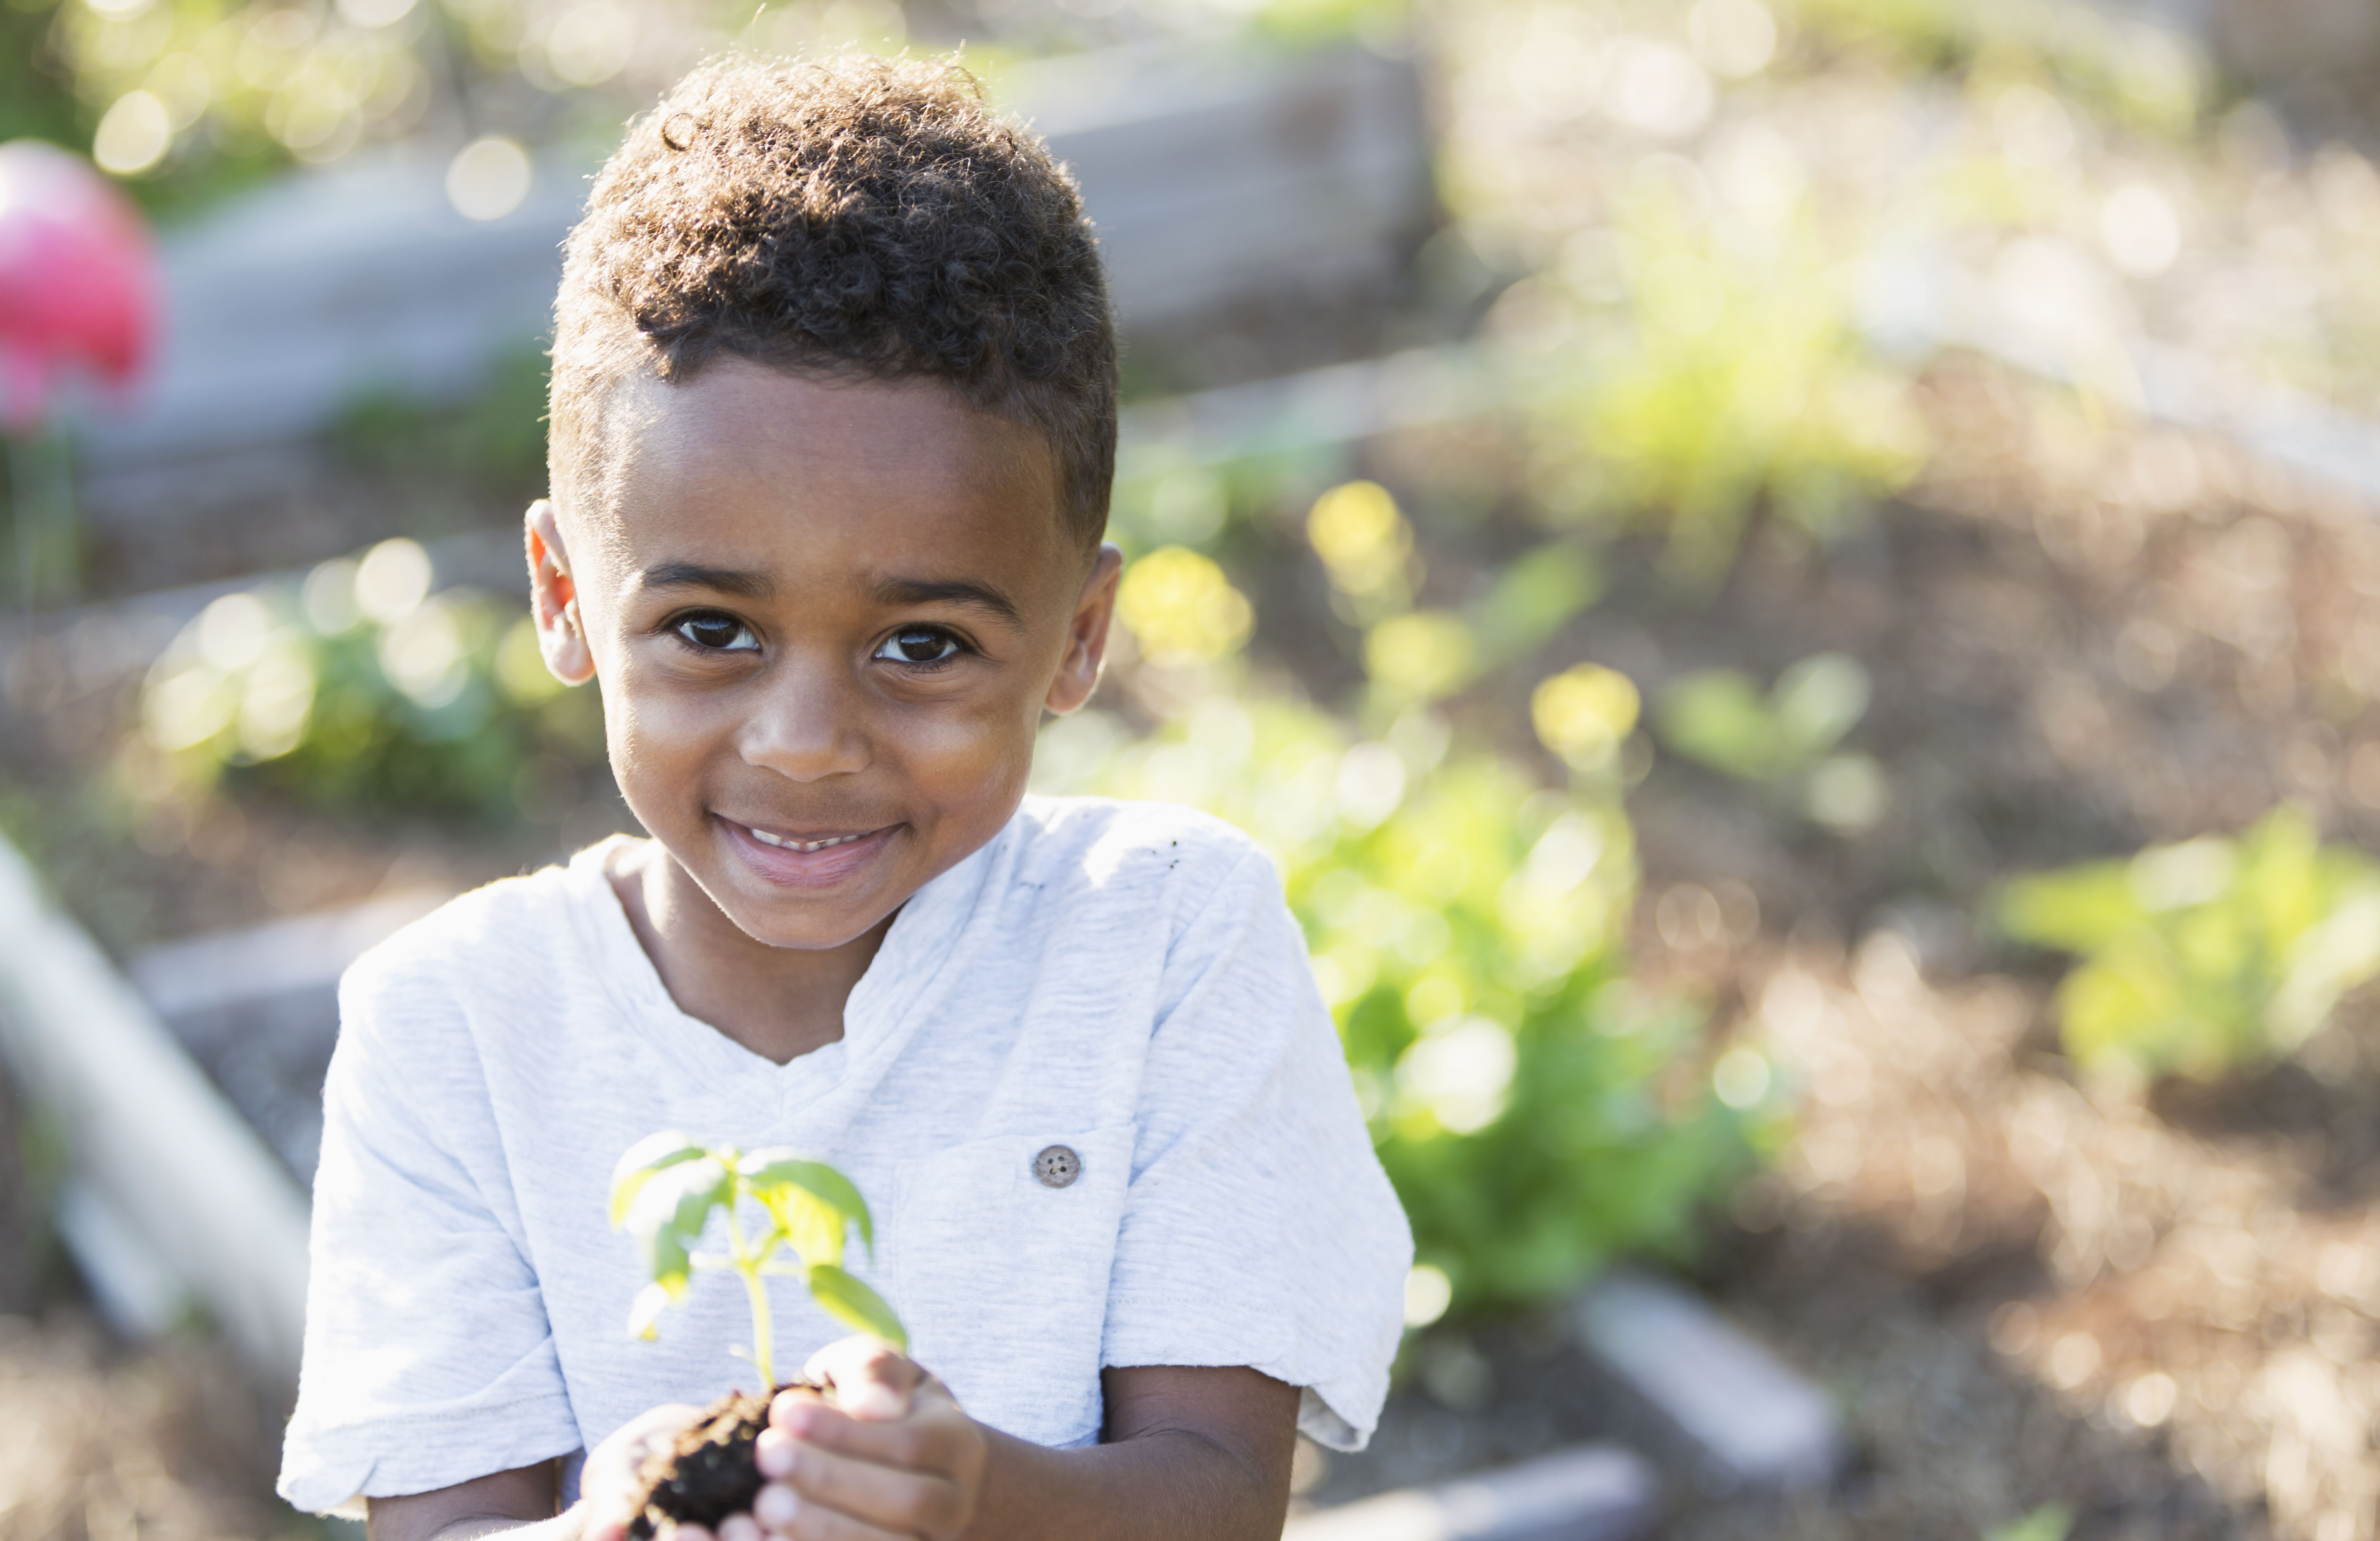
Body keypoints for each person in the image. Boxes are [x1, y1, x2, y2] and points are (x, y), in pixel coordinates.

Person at [275, 51, 1411, 1541]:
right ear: (563, 595)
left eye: (922, 645)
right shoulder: (458, 1031)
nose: (806, 742)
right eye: (710, 629)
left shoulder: (1166, 941)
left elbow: (1218, 1495)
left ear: (1077, 637)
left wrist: (977, 1492)